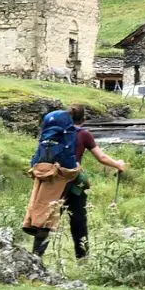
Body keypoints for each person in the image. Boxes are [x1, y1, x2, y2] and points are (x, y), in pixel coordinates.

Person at [22, 105, 126, 259]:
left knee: (47, 218)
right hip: (74, 180)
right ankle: (82, 259)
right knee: (78, 220)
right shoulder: (84, 135)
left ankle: (36, 259)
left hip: (53, 178)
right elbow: (101, 158)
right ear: (83, 119)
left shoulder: (54, 133)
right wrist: (118, 164)